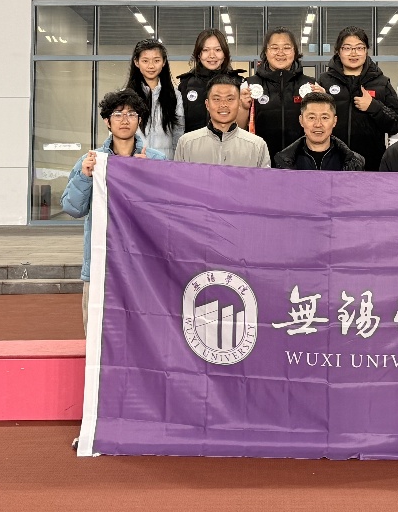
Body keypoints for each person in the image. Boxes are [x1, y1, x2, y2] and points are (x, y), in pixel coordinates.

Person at [61, 88, 166, 331]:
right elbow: (72, 208)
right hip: (101, 262)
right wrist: (85, 176)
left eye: (131, 114)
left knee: (145, 331)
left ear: (140, 120)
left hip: (144, 263)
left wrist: (151, 176)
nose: (125, 120)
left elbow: (166, 212)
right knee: (98, 331)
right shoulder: (91, 160)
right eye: (118, 114)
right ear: (107, 121)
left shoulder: (155, 160)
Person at [316, 25, 398, 170]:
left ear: (366, 50)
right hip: (331, 162)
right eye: (347, 48)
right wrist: (321, 102)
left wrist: (374, 106)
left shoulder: (381, 83)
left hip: (371, 164)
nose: (353, 53)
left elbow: (396, 123)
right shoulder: (324, 81)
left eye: (359, 48)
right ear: (338, 51)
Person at [237, 27, 321, 160]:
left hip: (301, 160)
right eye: (274, 48)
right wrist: (242, 107)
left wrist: (324, 100)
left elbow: (322, 125)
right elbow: (239, 129)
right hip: (261, 160)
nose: (280, 53)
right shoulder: (249, 85)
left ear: (294, 51)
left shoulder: (311, 85)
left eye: (286, 48)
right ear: (266, 51)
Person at [174, 74, 271, 168]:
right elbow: (178, 178)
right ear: (207, 104)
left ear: (239, 103)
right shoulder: (186, 143)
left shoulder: (257, 145)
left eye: (230, 99)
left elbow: (264, 179)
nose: (223, 104)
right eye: (217, 99)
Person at [273, 90, 366, 171]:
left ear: (334, 121)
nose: (318, 124)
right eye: (311, 117)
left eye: (324, 117)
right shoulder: (283, 161)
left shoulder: (355, 162)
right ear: (301, 121)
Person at [125, 38, 184, 160]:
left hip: (165, 164)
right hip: (135, 163)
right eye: (145, 61)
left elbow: (178, 134)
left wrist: (176, 163)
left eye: (156, 60)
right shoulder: (125, 96)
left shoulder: (175, 96)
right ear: (136, 62)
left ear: (164, 62)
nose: (151, 66)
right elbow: (118, 134)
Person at [177, 28, 243, 135]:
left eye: (218, 50)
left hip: (229, 143)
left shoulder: (238, 83)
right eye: (205, 50)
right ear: (198, 54)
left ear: (225, 53)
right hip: (194, 144)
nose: (212, 55)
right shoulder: (186, 84)